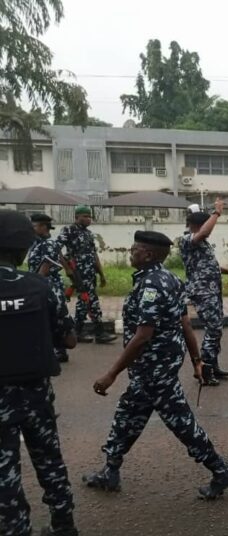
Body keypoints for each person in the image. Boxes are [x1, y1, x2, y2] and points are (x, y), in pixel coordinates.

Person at [82, 231, 228, 500]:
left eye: (134, 249)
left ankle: (221, 469)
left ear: (149, 254)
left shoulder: (152, 286)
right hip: (157, 366)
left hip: (154, 369)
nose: (130, 253)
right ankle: (111, 470)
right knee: (128, 414)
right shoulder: (170, 278)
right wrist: (196, 360)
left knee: (181, 423)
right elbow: (185, 323)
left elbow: (143, 335)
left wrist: (111, 374)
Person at [0, 210, 79, 536]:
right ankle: (64, 524)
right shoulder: (42, 286)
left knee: (4, 470)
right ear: (23, 250)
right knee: (49, 459)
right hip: (36, 393)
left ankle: (16, 528)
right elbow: (70, 340)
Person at [178, 199, 228, 386]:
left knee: (216, 329)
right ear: (198, 225)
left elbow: (205, 265)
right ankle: (205, 370)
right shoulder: (188, 239)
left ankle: (213, 365)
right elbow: (205, 231)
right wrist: (217, 212)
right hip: (203, 292)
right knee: (213, 329)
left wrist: (225, 270)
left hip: (212, 291)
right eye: (205, 224)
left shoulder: (201, 243)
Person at [56, 205, 117, 344]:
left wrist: (101, 274)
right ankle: (92, 332)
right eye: (85, 216)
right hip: (77, 272)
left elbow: (94, 254)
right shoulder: (69, 230)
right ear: (77, 217)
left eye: (90, 216)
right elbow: (56, 249)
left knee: (89, 301)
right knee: (86, 300)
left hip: (90, 273)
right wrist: (67, 268)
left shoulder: (89, 234)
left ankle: (83, 331)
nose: (88, 219)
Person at [28, 213, 73, 362]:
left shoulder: (48, 244)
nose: (31, 229)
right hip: (40, 283)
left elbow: (45, 267)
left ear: (43, 227)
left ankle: (60, 350)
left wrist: (34, 286)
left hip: (48, 286)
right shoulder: (37, 243)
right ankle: (53, 348)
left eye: (34, 226)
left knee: (53, 317)